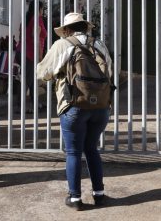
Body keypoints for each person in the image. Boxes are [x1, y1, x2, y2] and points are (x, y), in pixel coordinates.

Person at [37, 12, 112, 210]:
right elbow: (110, 72)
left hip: (74, 105)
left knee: (73, 152)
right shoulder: (99, 44)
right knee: (92, 149)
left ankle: (75, 198)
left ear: (67, 29)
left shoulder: (62, 45)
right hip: (101, 108)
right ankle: (100, 195)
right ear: (85, 26)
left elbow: (43, 73)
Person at [15, 0, 47, 113]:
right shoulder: (37, 19)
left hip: (21, 52)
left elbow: (21, 35)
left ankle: (35, 103)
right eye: (42, 9)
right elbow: (35, 37)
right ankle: (20, 107)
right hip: (29, 54)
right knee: (26, 81)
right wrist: (39, 57)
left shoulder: (26, 18)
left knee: (30, 80)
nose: (43, 11)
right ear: (39, 9)